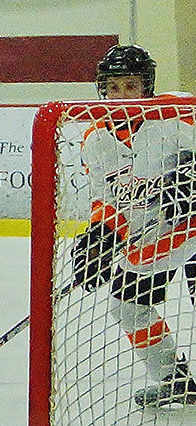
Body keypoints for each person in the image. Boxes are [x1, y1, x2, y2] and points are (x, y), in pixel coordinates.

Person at [72, 43, 196, 407]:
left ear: (147, 87)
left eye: (130, 85)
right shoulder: (96, 139)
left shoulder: (177, 113)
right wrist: (102, 236)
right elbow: (105, 201)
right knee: (127, 307)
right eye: (113, 87)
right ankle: (174, 379)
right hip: (153, 237)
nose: (121, 95)